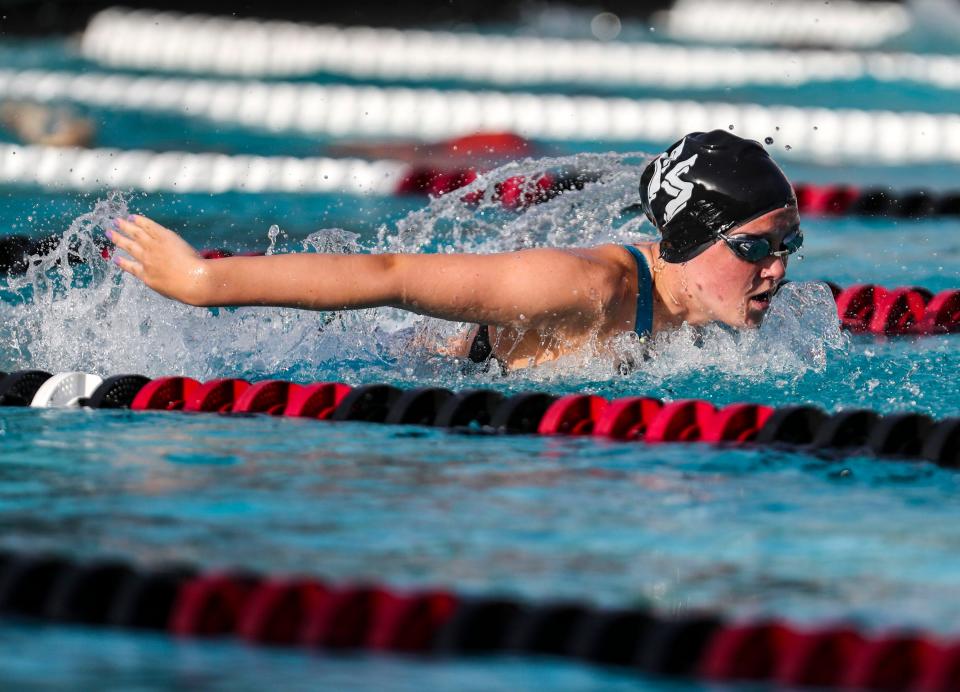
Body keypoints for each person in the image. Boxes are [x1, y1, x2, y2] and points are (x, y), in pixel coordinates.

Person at [107, 130, 803, 370]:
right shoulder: (585, 289)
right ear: (686, 238)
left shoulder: (710, 312)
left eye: (788, 243)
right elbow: (392, 273)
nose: (777, 268)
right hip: (390, 368)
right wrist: (202, 281)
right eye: (755, 248)